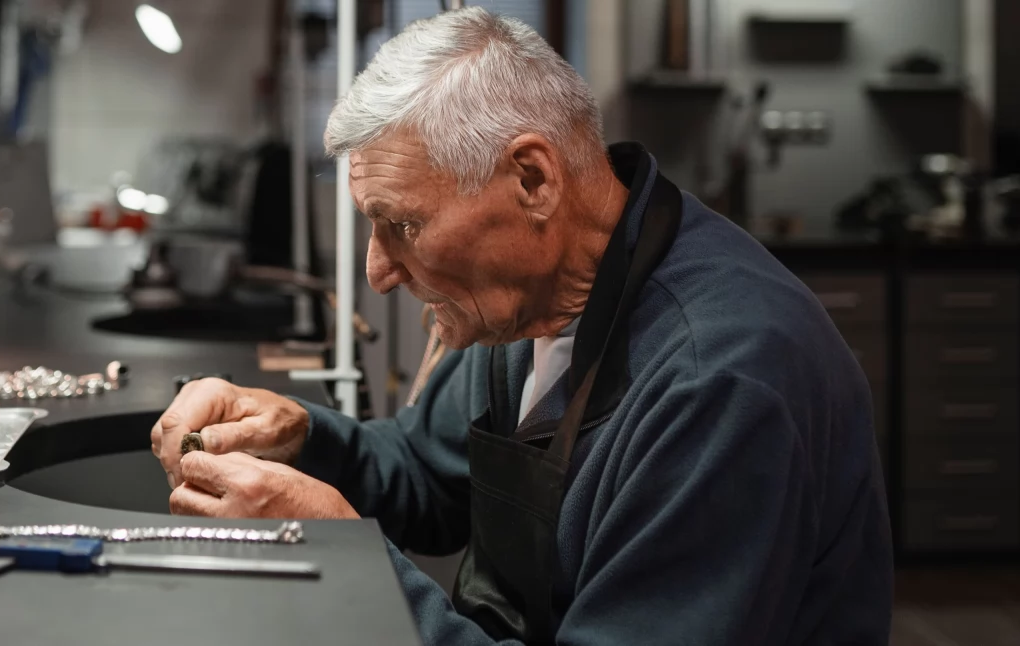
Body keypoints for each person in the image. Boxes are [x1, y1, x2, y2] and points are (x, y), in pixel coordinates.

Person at [150, 7, 892, 644]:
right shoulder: (528, 302)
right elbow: (426, 474)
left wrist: (342, 553)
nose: (379, 271)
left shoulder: (721, 383)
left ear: (532, 180)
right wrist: (301, 440)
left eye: (403, 224)